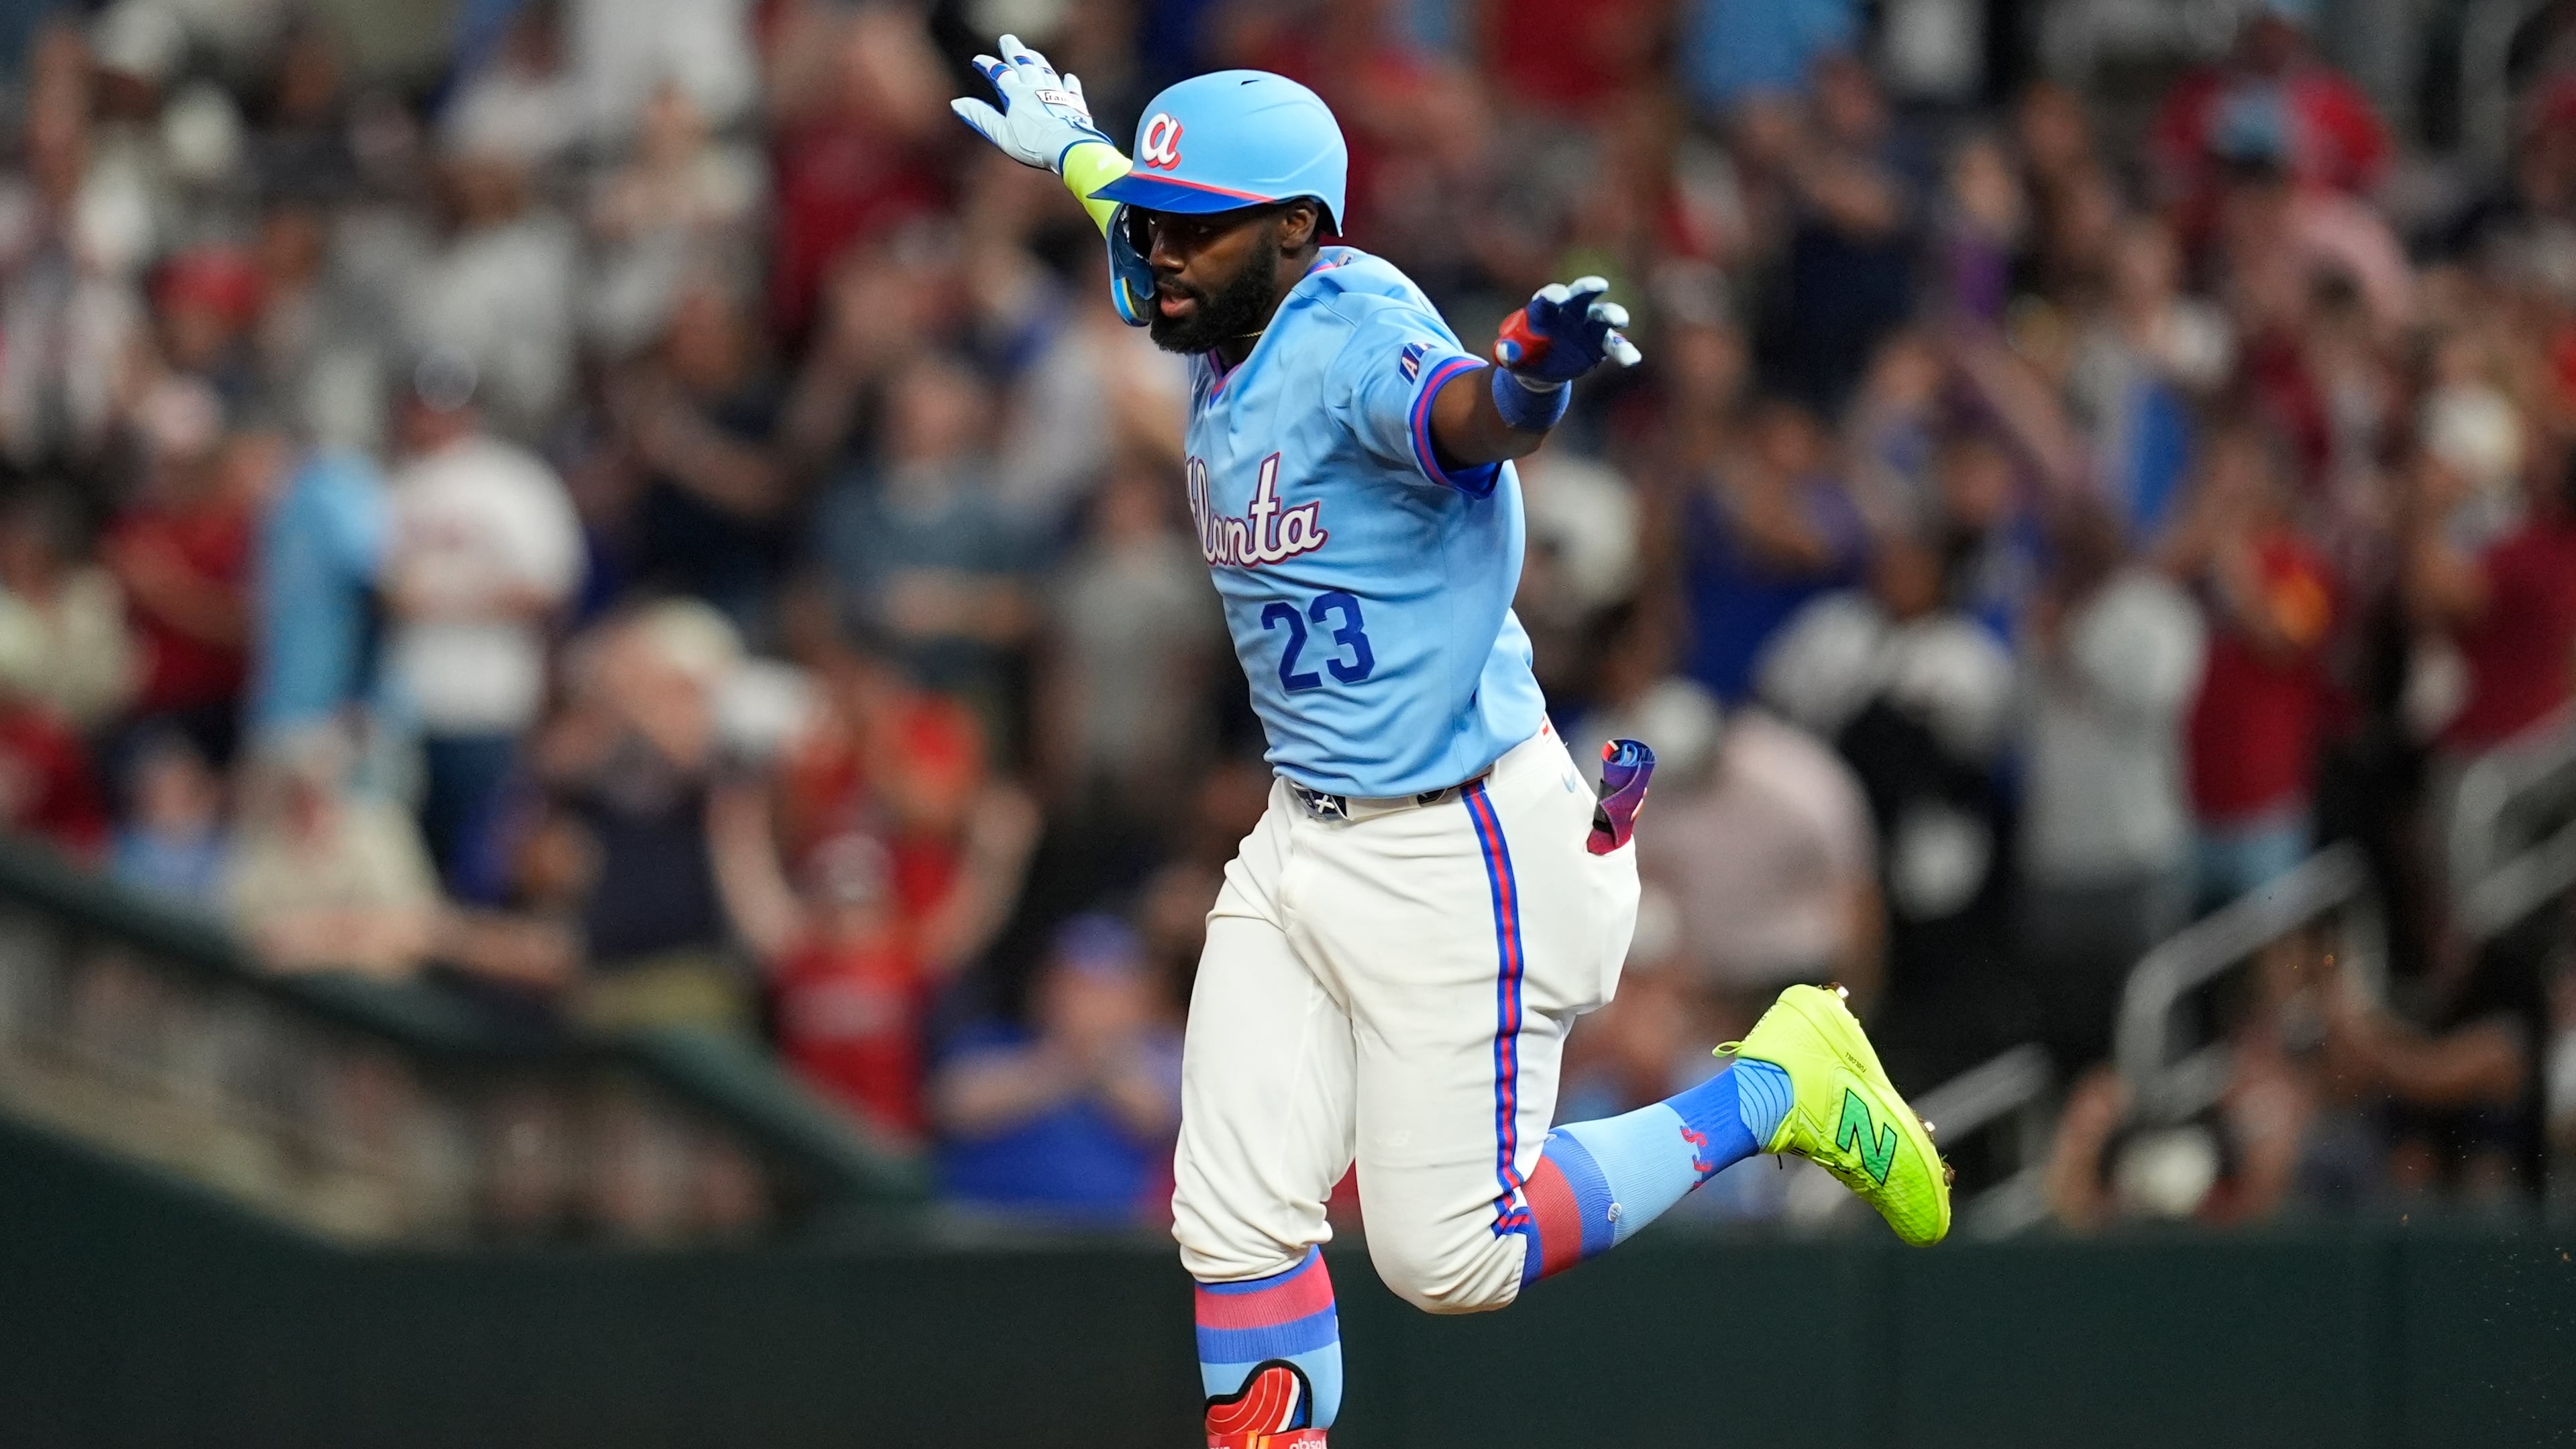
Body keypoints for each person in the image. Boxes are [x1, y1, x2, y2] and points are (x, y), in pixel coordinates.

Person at [955, 41, 1950, 1446]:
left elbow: (1459, 418)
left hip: (1459, 839)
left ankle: (1781, 1090)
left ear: (1298, 230)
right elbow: (1147, 198)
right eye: (1152, 224)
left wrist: (1529, 384)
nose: (1155, 253)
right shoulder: (1235, 299)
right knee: (1231, 1214)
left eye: (1192, 230)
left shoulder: (1358, 334)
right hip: (1309, 827)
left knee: (1451, 1261)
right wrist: (1075, 147)